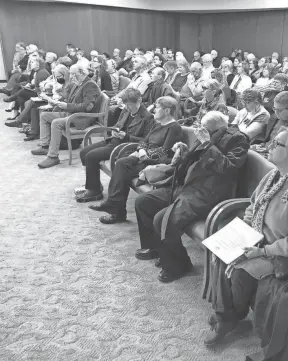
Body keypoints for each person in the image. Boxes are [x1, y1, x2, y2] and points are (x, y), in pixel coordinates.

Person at [205, 127, 288, 346]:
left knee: (240, 269)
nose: (270, 145)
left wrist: (261, 251)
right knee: (220, 252)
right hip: (260, 238)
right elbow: (253, 206)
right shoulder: (273, 176)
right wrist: (243, 232)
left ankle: (229, 318)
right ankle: (228, 316)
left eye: (277, 143)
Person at [134, 110, 250, 282]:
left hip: (207, 193)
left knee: (163, 220)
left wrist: (207, 144)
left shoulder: (238, 139)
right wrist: (183, 150)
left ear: (218, 128)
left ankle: (180, 265)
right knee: (144, 202)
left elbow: (228, 166)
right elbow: (195, 159)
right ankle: (156, 248)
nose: (201, 131)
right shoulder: (208, 133)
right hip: (186, 186)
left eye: (205, 129)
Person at [89, 96, 184, 224]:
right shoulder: (158, 125)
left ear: (167, 111)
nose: (154, 110)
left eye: (157, 107)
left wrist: (143, 154)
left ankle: (116, 210)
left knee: (123, 164)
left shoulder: (174, 128)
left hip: (159, 163)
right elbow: (143, 141)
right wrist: (141, 150)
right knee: (123, 162)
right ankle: (115, 209)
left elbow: (165, 152)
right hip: (145, 157)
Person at [75, 88, 155, 202]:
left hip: (124, 146)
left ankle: (94, 191)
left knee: (91, 156)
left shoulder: (147, 117)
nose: (127, 108)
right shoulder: (126, 110)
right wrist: (114, 130)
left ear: (139, 101)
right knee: (84, 152)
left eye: (130, 105)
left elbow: (145, 140)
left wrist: (126, 136)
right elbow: (118, 124)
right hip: (114, 140)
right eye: (126, 105)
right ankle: (94, 184)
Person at [31, 63, 101, 169]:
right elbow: (70, 99)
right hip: (71, 113)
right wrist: (60, 101)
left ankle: (53, 156)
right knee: (44, 115)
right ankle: (45, 145)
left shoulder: (90, 85)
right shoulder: (78, 83)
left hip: (81, 117)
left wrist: (66, 105)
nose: (71, 76)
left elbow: (87, 107)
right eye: (71, 74)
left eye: (73, 74)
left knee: (56, 123)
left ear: (82, 73)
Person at [23, 64, 71, 141]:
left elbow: (65, 100)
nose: (57, 79)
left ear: (65, 74)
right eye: (56, 77)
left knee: (39, 109)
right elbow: (44, 85)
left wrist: (49, 99)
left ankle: (42, 139)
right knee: (34, 105)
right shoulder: (60, 82)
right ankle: (36, 133)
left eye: (59, 77)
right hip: (56, 102)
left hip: (60, 106)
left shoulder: (69, 85)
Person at [252, 91, 288, 157]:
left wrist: (268, 150)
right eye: (274, 108)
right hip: (263, 150)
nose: (276, 112)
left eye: (279, 110)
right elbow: (265, 138)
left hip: (277, 156)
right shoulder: (273, 117)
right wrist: (260, 145)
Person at [107, 55, 152, 126]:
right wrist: (116, 97)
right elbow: (126, 90)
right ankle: (104, 132)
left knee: (111, 109)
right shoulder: (136, 75)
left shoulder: (146, 78)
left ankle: (109, 132)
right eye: (133, 61)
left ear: (142, 65)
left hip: (132, 103)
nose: (133, 63)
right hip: (125, 100)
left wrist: (120, 100)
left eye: (136, 61)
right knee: (107, 104)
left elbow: (136, 96)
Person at [5, 58, 50, 126]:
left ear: (38, 65)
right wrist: (31, 86)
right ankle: (22, 121)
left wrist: (32, 87)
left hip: (40, 94)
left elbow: (42, 88)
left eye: (33, 62)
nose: (30, 64)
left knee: (22, 92)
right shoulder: (38, 72)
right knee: (21, 98)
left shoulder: (42, 72)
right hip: (37, 91)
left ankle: (12, 99)